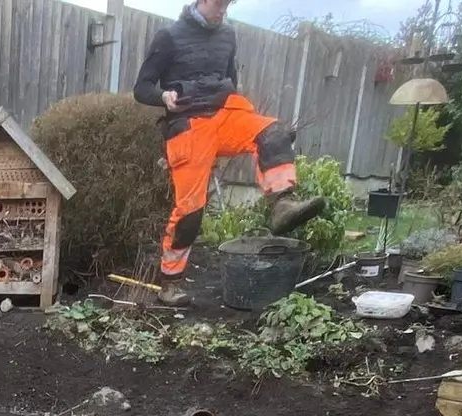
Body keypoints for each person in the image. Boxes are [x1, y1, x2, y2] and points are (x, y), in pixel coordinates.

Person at [133, 0, 325, 305]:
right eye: (219, 4)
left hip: (224, 113)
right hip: (188, 123)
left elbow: (231, 81)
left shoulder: (227, 36)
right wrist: (163, 96)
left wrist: (228, 134)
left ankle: (282, 204)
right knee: (190, 212)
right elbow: (141, 88)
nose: (223, 11)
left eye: (227, 5)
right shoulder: (169, 36)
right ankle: (170, 283)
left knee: (273, 133)